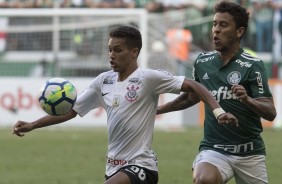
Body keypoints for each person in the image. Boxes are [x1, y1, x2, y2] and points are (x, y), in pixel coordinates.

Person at [12, 25, 238, 184]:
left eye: (117, 50)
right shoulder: (103, 81)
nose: (111, 55)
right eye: (110, 50)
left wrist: (218, 111)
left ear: (134, 52)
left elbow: (195, 86)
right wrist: (32, 124)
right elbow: (72, 111)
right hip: (113, 166)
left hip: (141, 166)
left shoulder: (149, 78)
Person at [157, 1, 276, 184]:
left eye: (223, 25)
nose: (216, 30)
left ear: (239, 32)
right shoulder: (202, 62)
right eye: (214, 24)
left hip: (250, 152)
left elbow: (270, 113)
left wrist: (247, 100)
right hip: (215, 149)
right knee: (204, 178)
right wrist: (158, 110)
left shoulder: (253, 66)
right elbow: (192, 96)